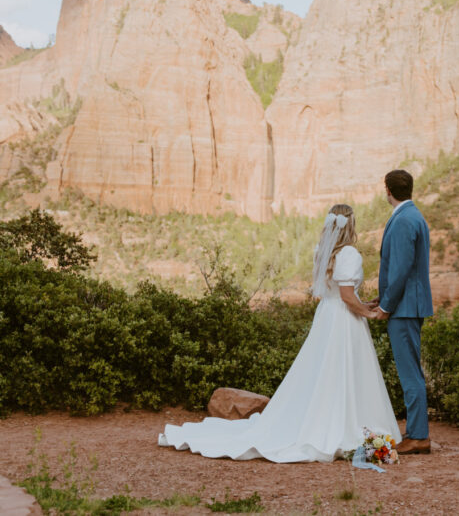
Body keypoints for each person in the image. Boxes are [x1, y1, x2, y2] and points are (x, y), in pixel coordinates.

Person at [158, 203, 400, 462]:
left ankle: (325, 421)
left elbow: (336, 294)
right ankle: (344, 425)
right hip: (344, 321)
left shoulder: (322, 250)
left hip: (327, 317)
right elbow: (346, 296)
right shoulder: (349, 253)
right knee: (345, 372)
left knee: (322, 373)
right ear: (349, 224)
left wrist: (363, 303)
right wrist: (369, 313)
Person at [368, 169, 434, 455]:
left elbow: (401, 268)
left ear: (388, 190)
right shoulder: (410, 215)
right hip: (405, 303)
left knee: (409, 373)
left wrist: (386, 305)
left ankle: (419, 436)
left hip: (405, 307)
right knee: (410, 369)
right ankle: (416, 432)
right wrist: (381, 297)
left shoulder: (406, 219)